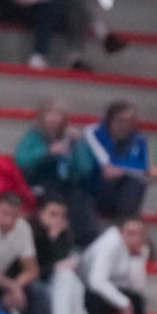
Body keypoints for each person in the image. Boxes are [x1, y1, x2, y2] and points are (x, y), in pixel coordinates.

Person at [16, 98, 97, 239]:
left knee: (81, 198)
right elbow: (22, 160)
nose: (54, 119)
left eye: (58, 115)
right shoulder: (33, 137)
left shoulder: (71, 138)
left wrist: (78, 144)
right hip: (39, 181)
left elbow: (85, 168)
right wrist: (48, 152)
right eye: (50, 114)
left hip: (66, 182)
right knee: (55, 200)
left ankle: (83, 239)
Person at [30, 196, 93, 314]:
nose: (58, 220)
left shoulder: (64, 236)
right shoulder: (31, 234)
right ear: (41, 214)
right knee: (68, 277)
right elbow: (32, 269)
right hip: (38, 281)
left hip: (59, 284)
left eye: (62, 216)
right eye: (53, 214)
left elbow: (63, 262)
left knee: (71, 279)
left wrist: (55, 239)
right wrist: (54, 266)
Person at [79, 217, 147, 314]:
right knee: (91, 301)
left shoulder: (137, 249)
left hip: (111, 287)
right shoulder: (110, 243)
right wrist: (123, 303)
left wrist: (137, 259)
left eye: (139, 234)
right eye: (131, 233)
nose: (136, 238)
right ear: (122, 232)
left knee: (137, 300)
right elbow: (96, 281)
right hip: (86, 288)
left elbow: (137, 287)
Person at [83, 100, 148, 220]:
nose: (125, 125)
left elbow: (143, 167)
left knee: (134, 184)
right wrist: (126, 169)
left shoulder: (138, 138)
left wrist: (122, 170)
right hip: (96, 188)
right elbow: (106, 166)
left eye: (130, 121)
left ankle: (127, 222)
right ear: (109, 120)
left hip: (123, 191)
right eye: (120, 120)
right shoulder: (93, 132)